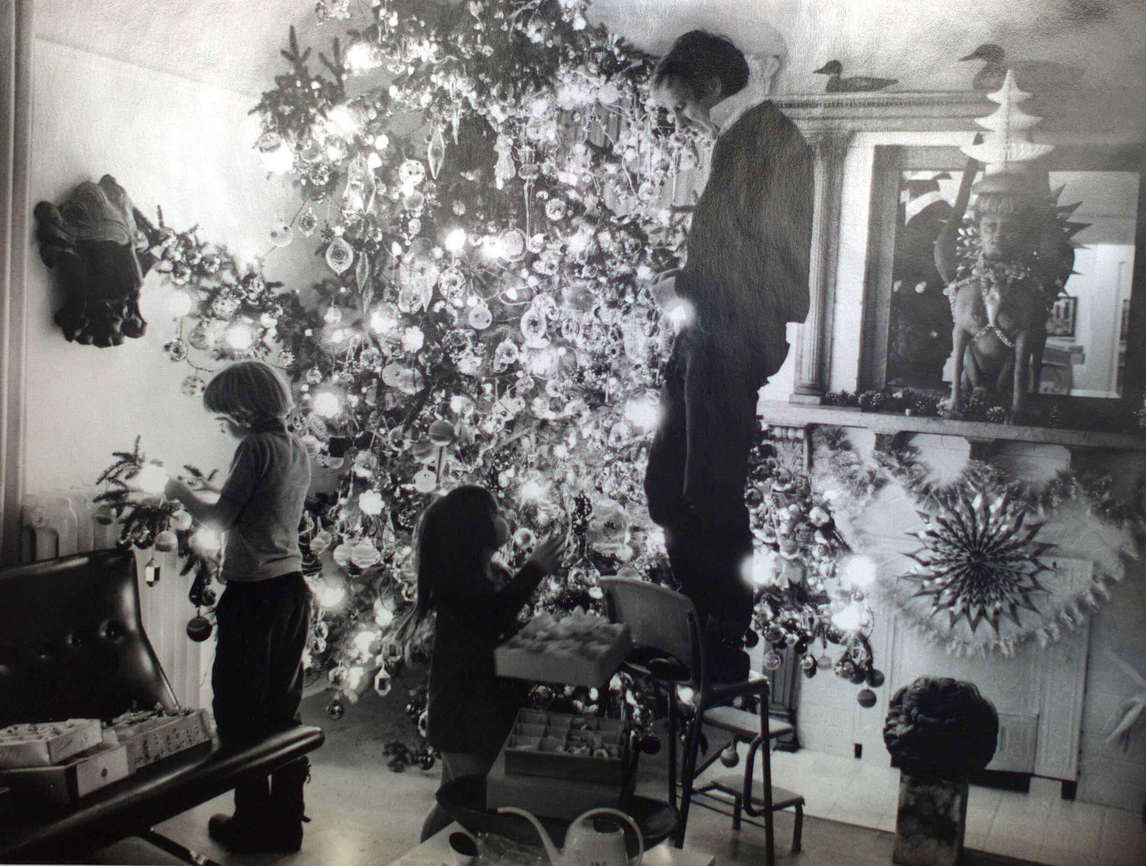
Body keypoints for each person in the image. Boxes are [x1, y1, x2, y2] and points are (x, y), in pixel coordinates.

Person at [644, 31, 815, 681]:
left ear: (711, 90)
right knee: (669, 487)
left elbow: (759, 264)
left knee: (709, 491)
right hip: (707, 333)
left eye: (683, 108)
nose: (681, 122)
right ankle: (700, 617)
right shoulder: (742, 141)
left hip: (731, 335)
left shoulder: (765, 141)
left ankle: (720, 635)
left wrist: (679, 287)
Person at [163, 360, 313, 853]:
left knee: (236, 708)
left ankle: (250, 821)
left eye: (224, 416)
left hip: (253, 595)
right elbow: (261, 506)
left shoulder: (253, 446)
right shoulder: (295, 449)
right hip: (291, 589)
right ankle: (287, 821)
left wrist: (178, 490)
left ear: (243, 409)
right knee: (281, 708)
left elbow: (223, 520)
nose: (223, 426)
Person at [404, 485, 565, 842]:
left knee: (455, 798)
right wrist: (534, 569)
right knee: (468, 803)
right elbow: (490, 617)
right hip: (463, 719)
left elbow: (494, 628)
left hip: (474, 715)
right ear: (475, 529)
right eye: (495, 513)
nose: (504, 518)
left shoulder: (486, 573)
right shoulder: (460, 587)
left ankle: (421, 854)